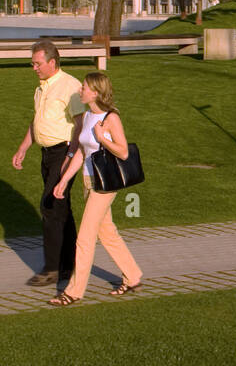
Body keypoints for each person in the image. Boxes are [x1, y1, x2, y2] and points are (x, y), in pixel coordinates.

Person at [49, 71, 143, 305]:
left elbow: (123, 151)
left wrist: (103, 138)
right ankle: (133, 276)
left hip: (105, 184)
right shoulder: (88, 115)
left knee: (84, 237)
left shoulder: (111, 118)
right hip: (88, 181)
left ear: (97, 92)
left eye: (84, 87)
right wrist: (64, 180)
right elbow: (82, 152)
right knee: (107, 232)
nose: (80, 90)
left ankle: (74, 292)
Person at [12, 40, 84, 286]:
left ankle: (52, 269)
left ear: (52, 62)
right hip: (46, 154)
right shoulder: (41, 88)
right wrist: (24, 147)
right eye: (32, 63)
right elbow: (37, 122)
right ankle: (71, 265)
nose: (34, 68)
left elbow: (81, 125)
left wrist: (70, 157)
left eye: (37, 63)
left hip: (64, 152)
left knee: (50, 206)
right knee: (62, 209)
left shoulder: (70, 86)